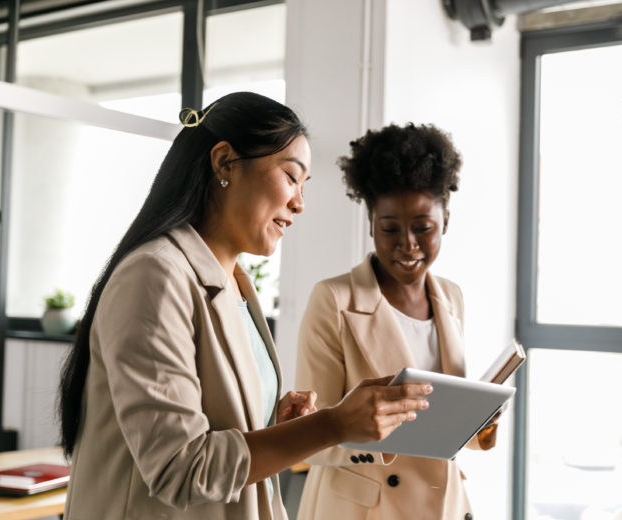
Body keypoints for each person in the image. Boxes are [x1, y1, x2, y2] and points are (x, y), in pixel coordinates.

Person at [57, 92, 432, 520]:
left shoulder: (234, 284)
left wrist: (275, 422)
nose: (299, 202)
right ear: (224, 163)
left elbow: (215, 424)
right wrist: (331, 425)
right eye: (291, 176)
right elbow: (180, 467)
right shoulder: (154, 276)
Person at [295, 123, 499, 520]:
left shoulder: (451, 298)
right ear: (371, 224)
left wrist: (480, 422)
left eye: (423, 228)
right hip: (366, 510)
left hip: (445, 504)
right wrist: (380, 432)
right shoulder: (333, 300)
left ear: (446, 222)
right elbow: (308, 438)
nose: (407, 244)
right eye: (390, 229)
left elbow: (442, 425)